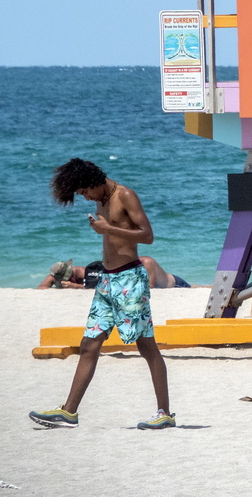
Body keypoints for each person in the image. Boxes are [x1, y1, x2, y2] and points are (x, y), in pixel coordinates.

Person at [29, 158, 175, 431]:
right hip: (107, 283)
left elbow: (147, 236)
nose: (86, 198)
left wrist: (108, 229)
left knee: (146, 346)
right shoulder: (101, 200)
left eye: (86, 192)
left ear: (94, 181)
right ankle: (69, 412)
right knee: (89, 344)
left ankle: (165, 412)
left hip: (130, 280)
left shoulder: (126, 195)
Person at [37, 257, 190, 289]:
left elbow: (98, 285)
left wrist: (73, 286)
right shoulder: (61, 272)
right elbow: (42, 287)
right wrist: (52, 282)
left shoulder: (85, 272)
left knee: (196, 289)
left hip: (176, 284)